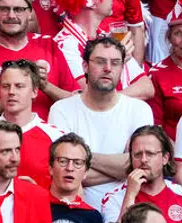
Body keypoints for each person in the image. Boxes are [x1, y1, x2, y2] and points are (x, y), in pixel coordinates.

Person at [49, 37, 156, 207]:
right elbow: (61, 171)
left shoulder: (139, 109)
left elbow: (140, 167)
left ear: (122, 67)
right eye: (100, 62)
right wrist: (123, 169)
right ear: (85, 66)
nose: (107, 68)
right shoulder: (61, 109)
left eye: (115, 63)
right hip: (77, 209)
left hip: (128, 207)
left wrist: (80, 160)